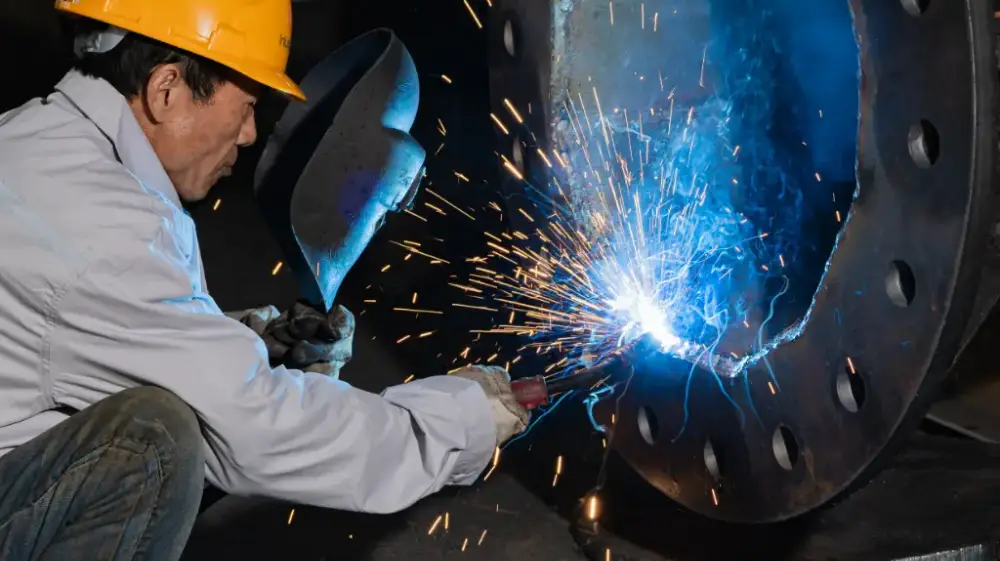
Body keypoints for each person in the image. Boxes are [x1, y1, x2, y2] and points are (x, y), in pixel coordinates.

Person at [0, 1, 531, 560]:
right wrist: (459, 422)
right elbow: (261, 433)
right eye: (247, 104)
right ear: (166, 90)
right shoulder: (104, 232)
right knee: (154, 441)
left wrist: (236, 343)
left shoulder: (41, 142)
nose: (252, 134)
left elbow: (84, 332)